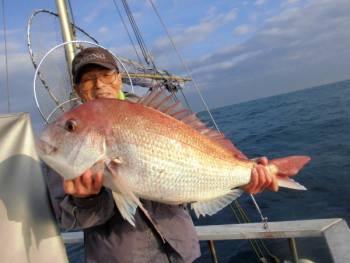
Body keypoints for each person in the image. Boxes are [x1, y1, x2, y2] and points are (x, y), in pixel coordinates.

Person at [45, 47, 278, 263]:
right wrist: (86, 200)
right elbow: (69, 220)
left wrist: (245, 174)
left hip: (182, 252)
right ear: (77, 89)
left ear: (118, 78)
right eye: (87, 79)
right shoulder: (66, 143)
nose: (98, 84)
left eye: (106, 75)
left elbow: (198, 161)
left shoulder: (157, 113)